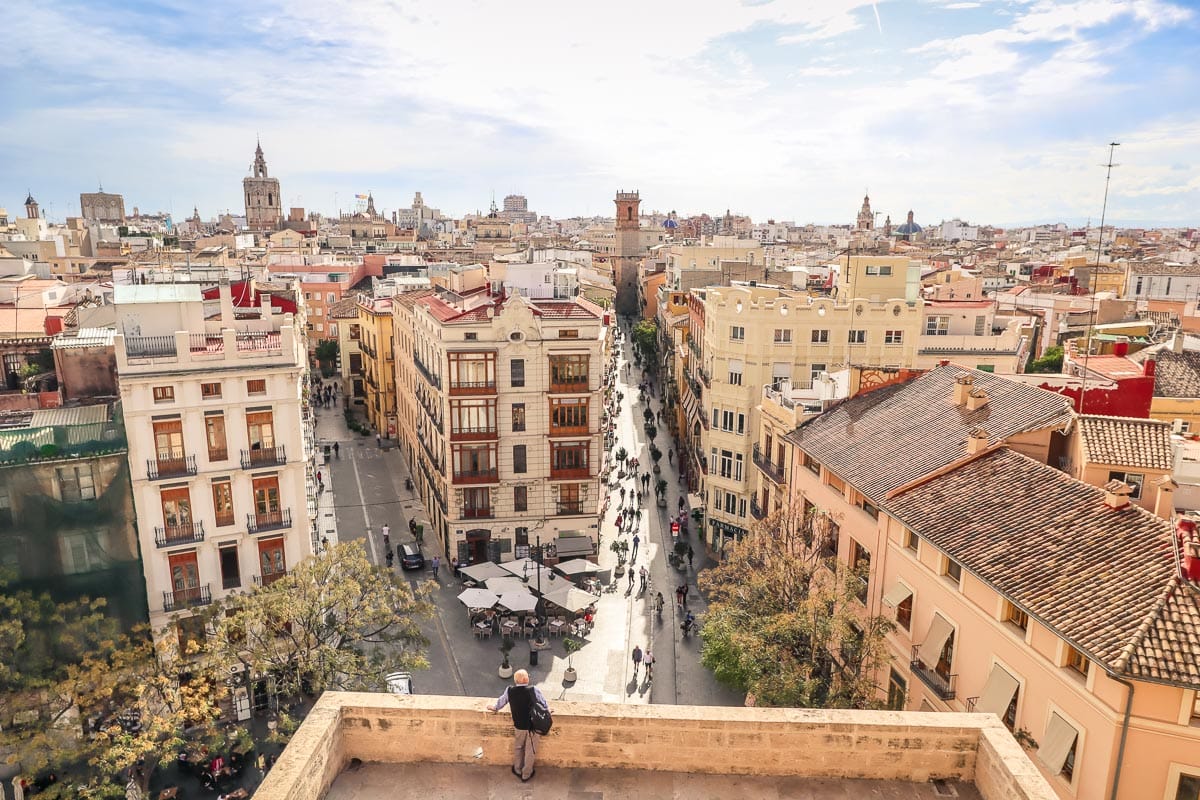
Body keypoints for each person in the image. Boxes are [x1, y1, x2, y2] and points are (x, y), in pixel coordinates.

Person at [487, 669, 548, 782]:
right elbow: (543, 703)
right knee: (530, 751)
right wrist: (548, 710)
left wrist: (494, 708)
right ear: (525, 679)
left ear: (516, 681)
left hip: (519, 725)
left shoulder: (510, 690)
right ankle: (526, 774)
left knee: (518, 747)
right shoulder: (533, 690)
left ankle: (517, 769)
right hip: (532, 727)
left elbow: (502, 701)